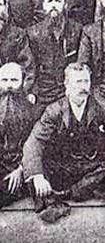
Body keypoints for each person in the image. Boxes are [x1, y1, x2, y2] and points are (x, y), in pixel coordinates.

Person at [22, 63, 105, 223]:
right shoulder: (54, 110)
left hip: (89, 165)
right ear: (67, 85)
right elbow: (34, 142)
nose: (83, 87)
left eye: (86, 82)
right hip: (63, 167)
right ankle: (67, 196)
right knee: (38, 167)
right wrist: (37, 175)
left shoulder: (102, 108)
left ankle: (62, 196)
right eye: (78, 82)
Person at [27, 0, 82, 113]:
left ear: (65, 5)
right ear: (44, 6)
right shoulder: (33, 33)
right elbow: (31, 66)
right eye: (50, 1)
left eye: (57, 1)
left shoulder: (77, 29)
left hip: (68, 89)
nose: (53, 5)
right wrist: (33, 92)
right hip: (43, 91)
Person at [0, 63, 37, 208]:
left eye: (14, 81)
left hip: (21, 166)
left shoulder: (33, 111)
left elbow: (36, 146)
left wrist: (21, 169)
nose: (9, 86)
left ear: (22, 82)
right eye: (4, 80)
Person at [0, 0, 35, 98]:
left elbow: (28, 67)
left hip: (14, 93)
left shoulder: (18, 35)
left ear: (6, 7)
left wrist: (25, 92)